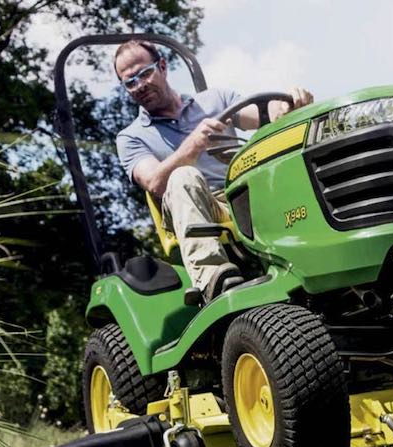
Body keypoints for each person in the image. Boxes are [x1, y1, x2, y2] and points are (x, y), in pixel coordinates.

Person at [113, 40, 313, 301]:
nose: (139, 85)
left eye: (145, 73)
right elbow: (155, 182)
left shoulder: (215, 100)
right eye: (130, 81)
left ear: (162, 66)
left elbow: (265, 114)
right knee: (182, 176)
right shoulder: (131, 137)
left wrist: (288, 105)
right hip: (198, 208)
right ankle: (213, 280)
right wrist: (193, 144)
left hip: (248, 197)